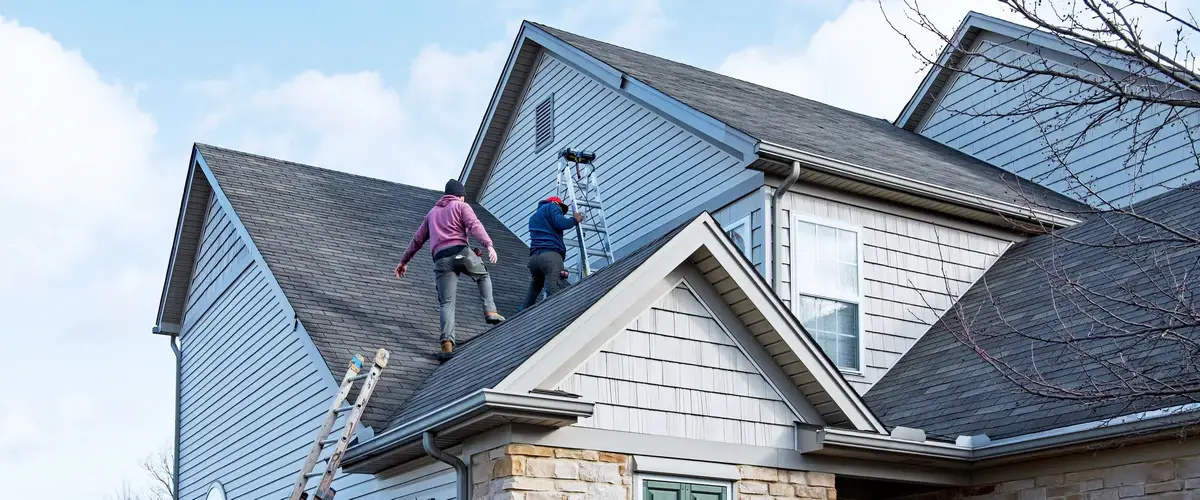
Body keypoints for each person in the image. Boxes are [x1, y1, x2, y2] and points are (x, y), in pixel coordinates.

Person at [395, 179, 505, 361]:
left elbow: (417, 240)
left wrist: (403, 262)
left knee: (446, 302)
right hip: (460, 252)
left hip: (441, 260)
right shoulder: (461, 206)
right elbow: (474, 225)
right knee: (483, 276)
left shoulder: (432, 214)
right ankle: (490, 311)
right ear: (460, 196)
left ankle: (446, 344)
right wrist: (489, 245)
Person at [524, 196, 584, 308]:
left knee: (537, 283)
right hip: (550, 256)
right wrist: (574, 220)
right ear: (557, 203)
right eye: (561, 210)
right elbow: (561, 223)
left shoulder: (534, 217)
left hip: (534, 259)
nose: (561, 212)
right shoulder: (552, 206)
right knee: (555, 291)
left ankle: (523, 312)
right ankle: (560, 317)